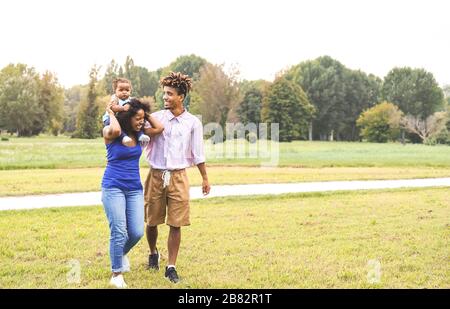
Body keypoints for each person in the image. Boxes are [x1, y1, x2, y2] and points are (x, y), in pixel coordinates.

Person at [143, 71, 211, 283]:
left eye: (170, 94)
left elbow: (198, 153)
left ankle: (171, 266)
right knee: (152, 221)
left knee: (176, 222)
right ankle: (153, 252)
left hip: (179, 176)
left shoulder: (192, 123)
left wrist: (205, 178)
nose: (165, 97)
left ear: (181, 96)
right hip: (155, 175)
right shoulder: (157, 118)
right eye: (164, 93)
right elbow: (142, 138)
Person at [101, 98, 163, 288]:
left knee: (136, 232)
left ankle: (119, 253)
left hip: (134, 189)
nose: (140, 122)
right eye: (137, 119)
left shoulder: (140, 134)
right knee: (119, 230)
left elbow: (159, 128)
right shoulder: (110, 133)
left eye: (142, 119)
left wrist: (144, 112)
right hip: (113, 186)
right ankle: (116, 274)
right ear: (127, 117)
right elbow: (117, 130)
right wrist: (111, 113)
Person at [102, 78, 150, 146]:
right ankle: (123, 137)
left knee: (137, 123)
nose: (124, 92)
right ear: (115, 91)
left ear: (130, 91)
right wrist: (123, 108)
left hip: (122, 120)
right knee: (118, 127)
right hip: (110, 119)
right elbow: (113, 108)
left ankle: (141, 136)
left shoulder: (130, 99)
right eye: (121, 90)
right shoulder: (115, 98)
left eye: (127, 90)